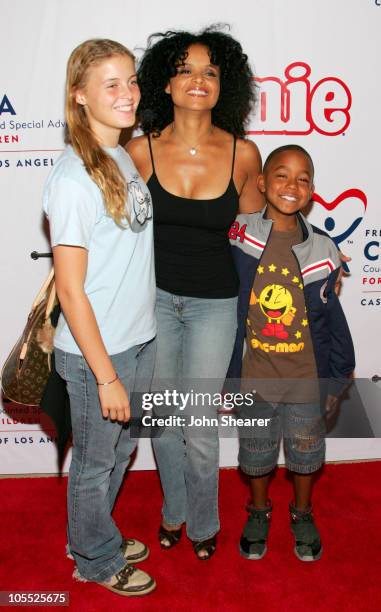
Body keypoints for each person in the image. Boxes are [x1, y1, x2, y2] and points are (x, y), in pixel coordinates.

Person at [127, 27, 263, 559]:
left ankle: (204, 523)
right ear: (165, 82)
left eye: (210, 71)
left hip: (215, 305)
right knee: (163, 423)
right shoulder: (139, 152)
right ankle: (174, 511)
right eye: (185, 69)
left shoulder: (243, 155)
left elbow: (255, 238)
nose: (198, 81)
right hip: (152, 301)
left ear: (223, 85)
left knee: (200, 428)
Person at [43, 39, 156, 596]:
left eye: (130, 80)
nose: (127, 93)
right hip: (97, 356)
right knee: (93, 463)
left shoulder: (117, 155)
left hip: (134, 340)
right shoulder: (72, 179)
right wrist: (106, 374)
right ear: (79, 97)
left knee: (121, 450)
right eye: (110, 84)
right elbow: (70, 288)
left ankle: (94, 532)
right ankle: (92, 557)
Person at [227, 144, 355, 561]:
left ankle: (302, 512)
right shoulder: (238, 233)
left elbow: (334, 319)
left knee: (305, 456)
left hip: (305, 380)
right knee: (257, 454)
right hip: (256, 378)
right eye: (281, 175)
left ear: (312, 192)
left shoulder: (324, 247)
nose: (291, 185)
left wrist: (338, 376)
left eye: (303, 179)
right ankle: (259, 510)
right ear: (262, 183)